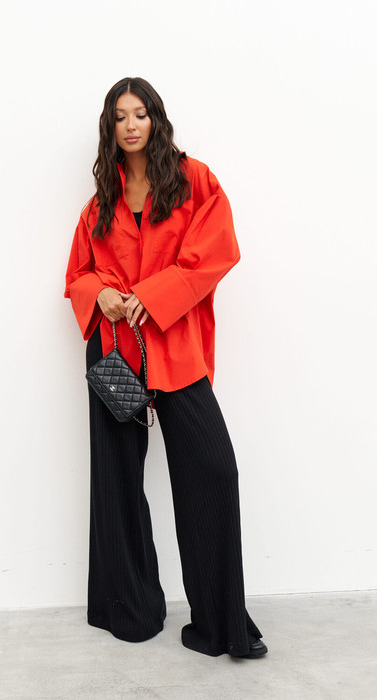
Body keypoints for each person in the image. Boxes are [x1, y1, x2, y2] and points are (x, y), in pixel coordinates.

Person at [64, 77, 268, 659]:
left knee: (212, 471)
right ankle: (129, 610)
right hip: (115, 353)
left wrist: (151, 296)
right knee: (118, 481)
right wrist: (101, 293)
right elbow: (78, 274)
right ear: (110, 128)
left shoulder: (193, 180)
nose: (131, 125)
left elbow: (216, 252)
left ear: (156, 118)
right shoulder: (101, 201)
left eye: (140, 113)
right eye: (120, 116)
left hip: (175, 346)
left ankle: (220, 625)